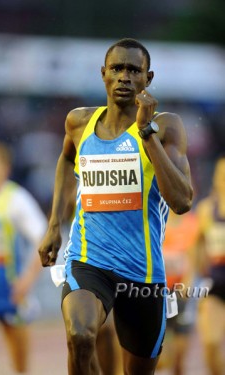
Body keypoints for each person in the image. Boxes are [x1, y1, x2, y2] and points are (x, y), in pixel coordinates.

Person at [38, 38, 193, 375]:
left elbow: (182, 201)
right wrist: (53, 225)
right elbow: (66, 160)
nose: (124, 76)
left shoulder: (166, 127)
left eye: (133, 70)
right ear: (103, 74)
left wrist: (146, 133)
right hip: (88, 261)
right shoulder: (79, 123)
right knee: (80, 336)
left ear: (147, 79)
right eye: (117, 69)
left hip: (143, 273)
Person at [0, 140, 47, 374]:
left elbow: (44, 240)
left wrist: (26, 281)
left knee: (20, 365)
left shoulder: (17, 200)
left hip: (12, 293)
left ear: (5, 168)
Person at [156, 209, 199, 375]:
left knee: (179, 356)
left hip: (180, 291)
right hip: (158, 291)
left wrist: (185, 288)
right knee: (161, 357)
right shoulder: (156, 221)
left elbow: (193, 259)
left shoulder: (191, 224)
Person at [195, 156, 225, 375]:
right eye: (221, 174)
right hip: (216, 283)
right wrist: (199, 271)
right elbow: (196, 244)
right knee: (211, 343)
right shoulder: (206, 209)